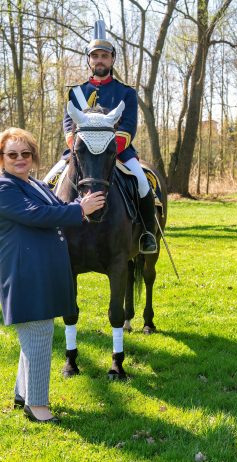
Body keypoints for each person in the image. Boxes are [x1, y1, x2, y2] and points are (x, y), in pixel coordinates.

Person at [0, 128, 105, 423]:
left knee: (34, 332)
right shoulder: (4, 188)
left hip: (39, 271)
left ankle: (23, 394)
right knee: (38, 333)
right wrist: (80, 210)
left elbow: (57, 207)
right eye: (12, 154)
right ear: (2, 158)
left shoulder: (34, 183)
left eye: (26, 153)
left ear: (33, 155)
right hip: (24, 273)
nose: (20, 159)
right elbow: (36, 215)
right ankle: (37, 406)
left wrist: (80, 206)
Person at [62, 20, 157, 254]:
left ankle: (147, 233)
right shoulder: (75, 92)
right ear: (89, 60)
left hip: (117, 152)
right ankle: (50, 232)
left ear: (112, 59)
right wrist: (76, 146)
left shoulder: (126, 92)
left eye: (104, 56)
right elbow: (68, 125)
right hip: (81, 153)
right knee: (49, 180)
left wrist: (109, 148)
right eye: (95, 56)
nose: (100, 60)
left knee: (142, 182)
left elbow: (128, 126)